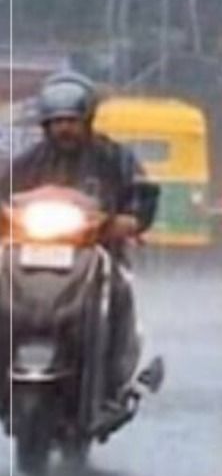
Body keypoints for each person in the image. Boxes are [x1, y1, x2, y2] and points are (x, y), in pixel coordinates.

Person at [3, 71, 157, 402]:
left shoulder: (115, 158)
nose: (65, 129)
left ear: (87, 120)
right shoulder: (27, 163)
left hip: (96, 254)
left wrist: (129, 219)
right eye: (57, 122)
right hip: (30, 256)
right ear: (45, 124)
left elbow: (141, 192)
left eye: (72, 121)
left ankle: (117, 377)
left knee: (119, 291)